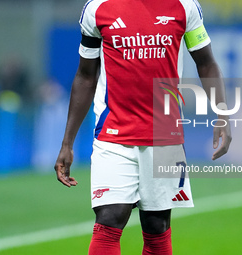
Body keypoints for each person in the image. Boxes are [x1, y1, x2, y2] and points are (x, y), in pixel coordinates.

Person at [54, 0, 232, 254]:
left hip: (164, 136)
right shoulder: (97, 9)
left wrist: (222, 114)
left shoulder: (185, 6)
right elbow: (85, 75)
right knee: (110, 218)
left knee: (156, 226)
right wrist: (67, 143)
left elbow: (206, 62)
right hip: (112, 134)